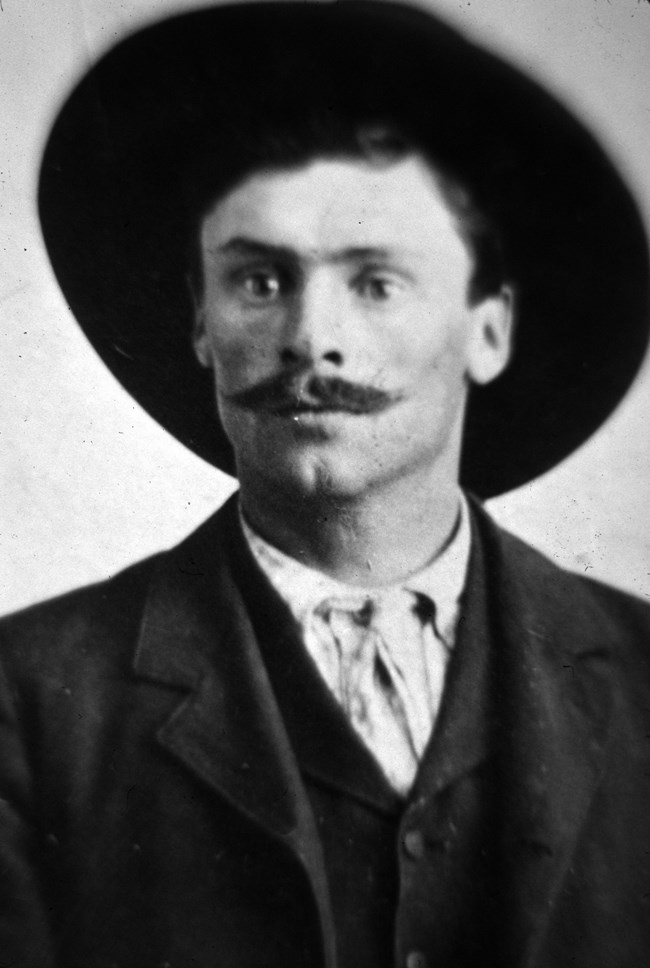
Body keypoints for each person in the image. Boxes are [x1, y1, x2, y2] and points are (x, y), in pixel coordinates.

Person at [1, 2, 649, 967]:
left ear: (489, 329)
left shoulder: (640, 677)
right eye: (260, 281)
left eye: (376, 281)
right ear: (197, 323)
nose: (311, 338)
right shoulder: (28, 701)